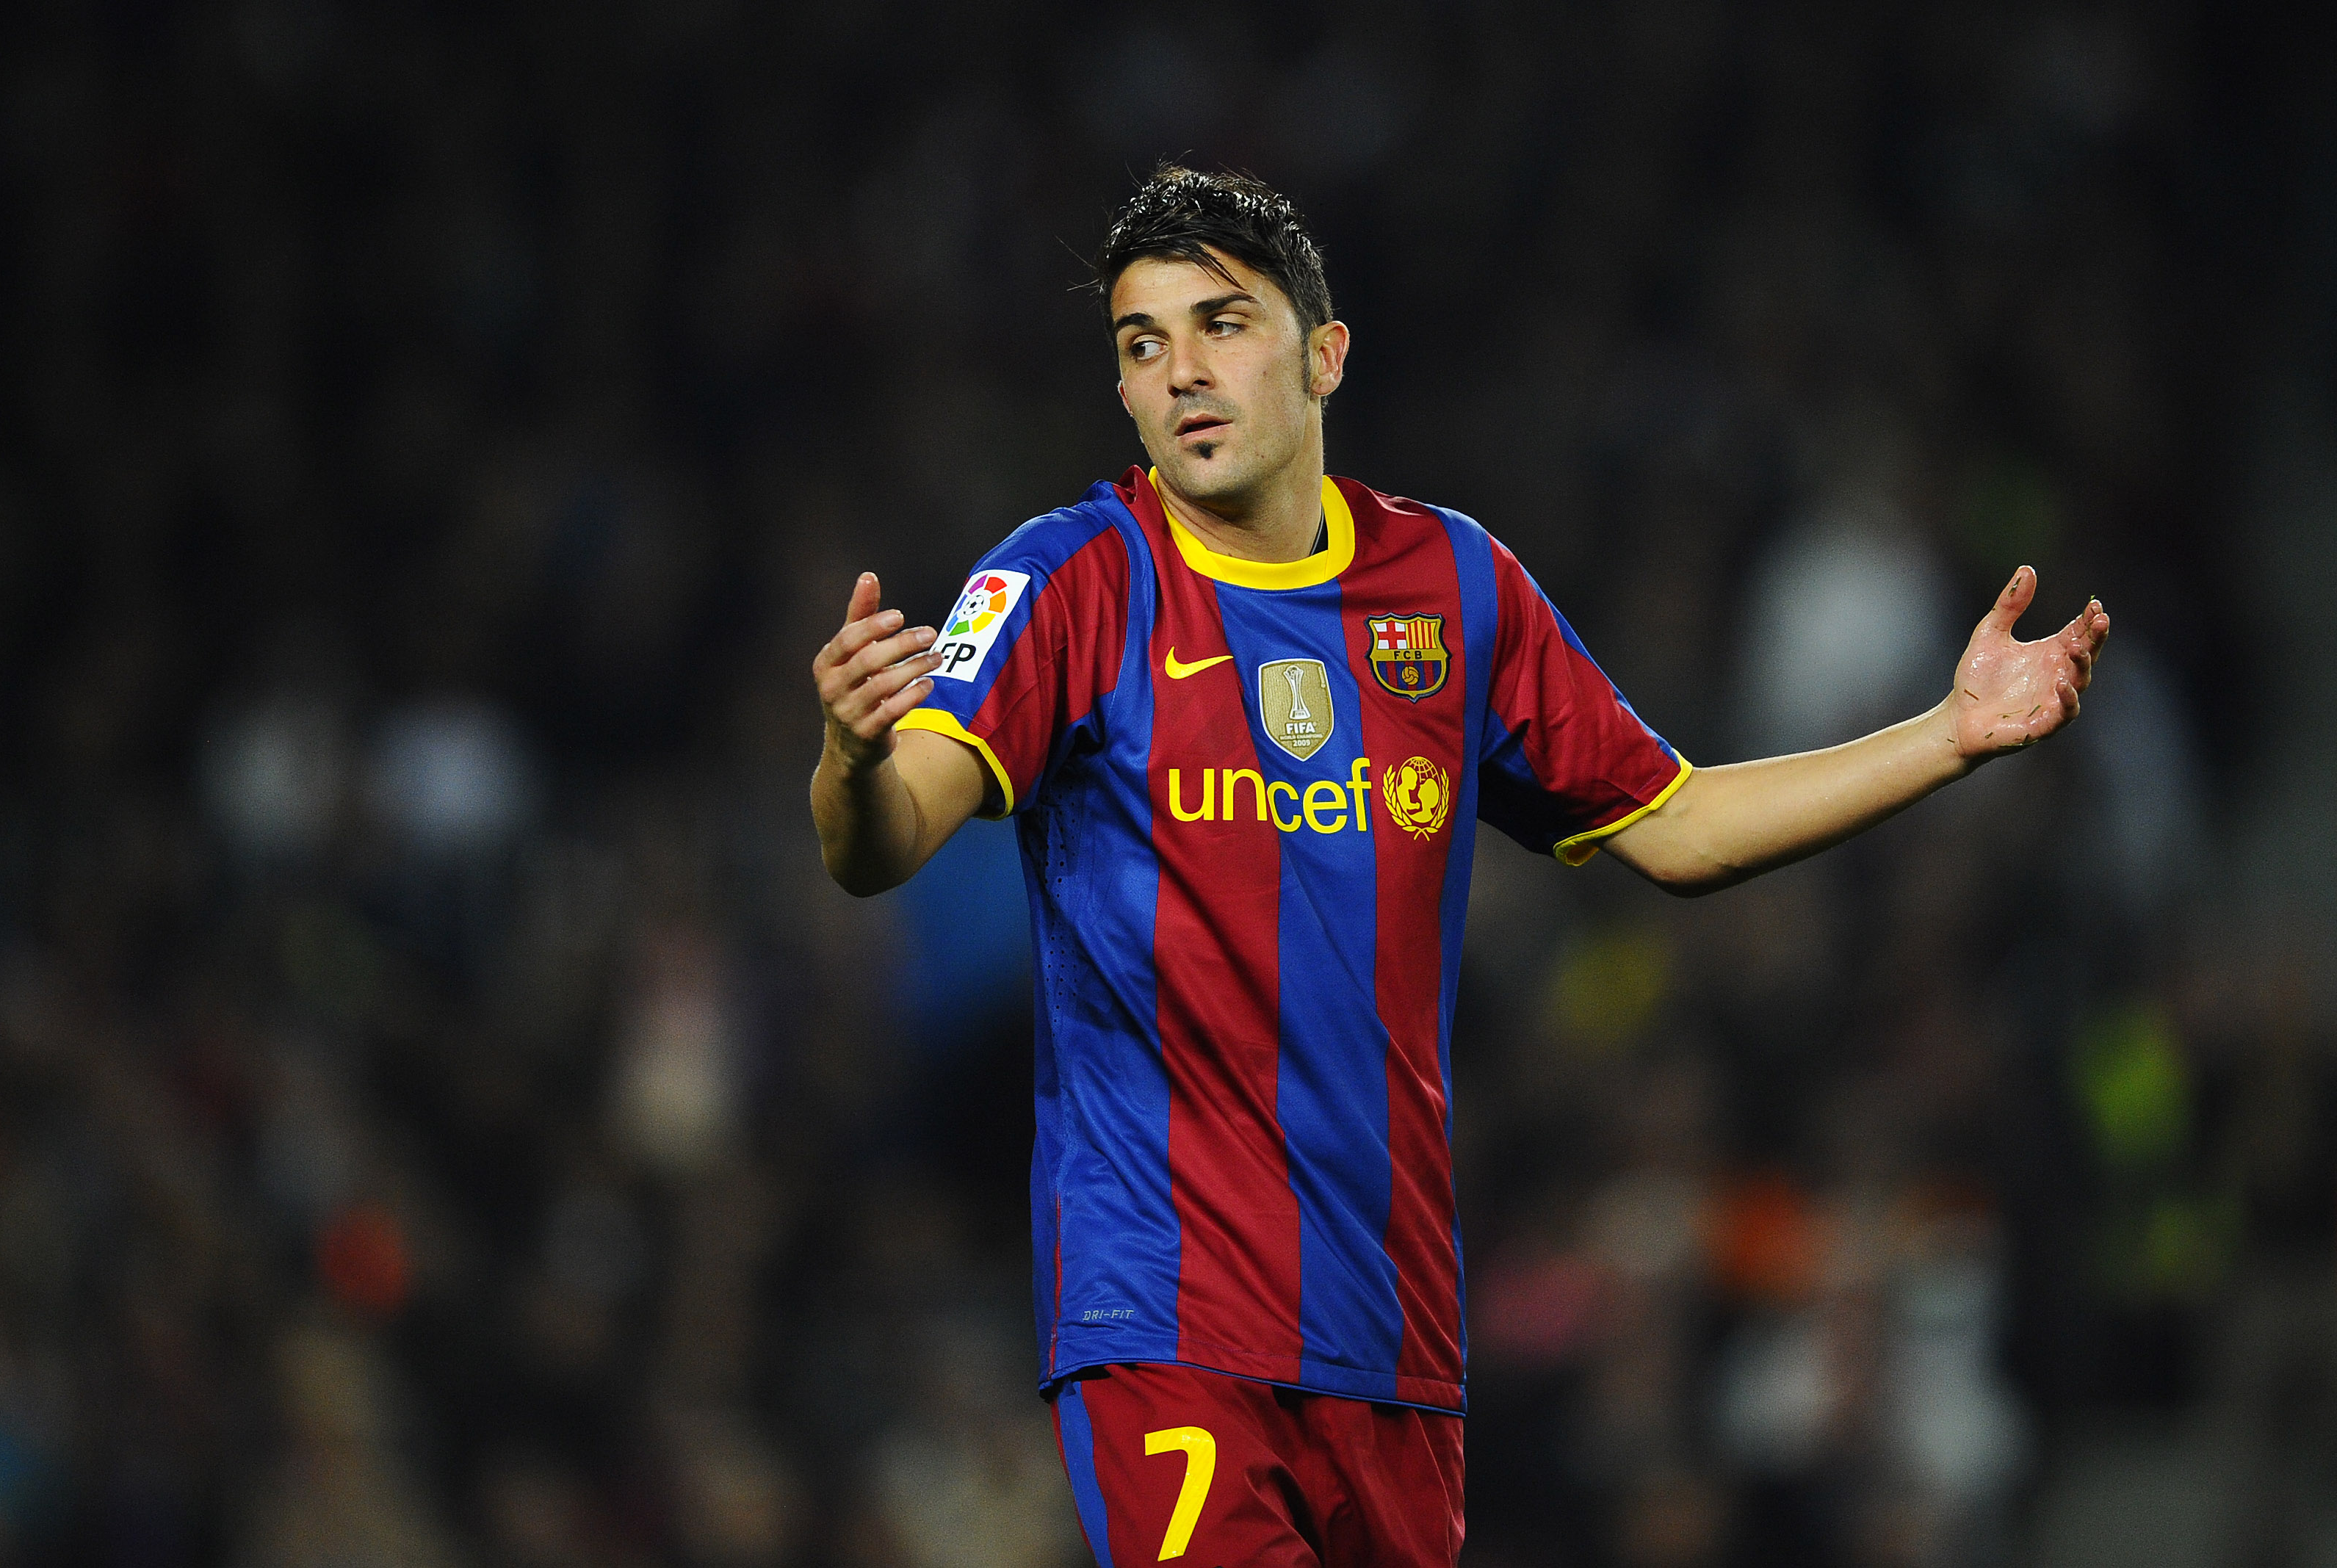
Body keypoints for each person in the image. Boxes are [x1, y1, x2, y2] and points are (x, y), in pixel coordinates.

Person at [809, 166, 2108, 1567]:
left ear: (1325, 354)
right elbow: (881, 844)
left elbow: (1674, 826)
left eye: (1222, 324)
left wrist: (1948, 737)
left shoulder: (1457, 588)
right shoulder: (1065, 582)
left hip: (1396, 1335)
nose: (1180, 370)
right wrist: (850, 755)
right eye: (1142, 343)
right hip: (1165, 1318)